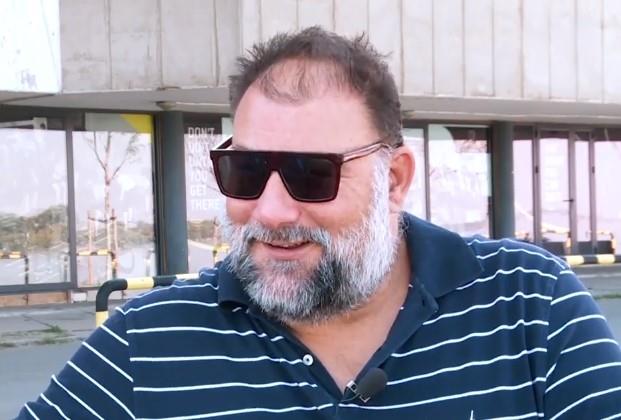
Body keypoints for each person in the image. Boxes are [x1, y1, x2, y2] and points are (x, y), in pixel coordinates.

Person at [18, 27, 621, 420]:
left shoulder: (531, 306)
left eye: (311, 174)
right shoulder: (146, 343)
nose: (271, 210)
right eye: (246, 170)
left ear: (394, 179)